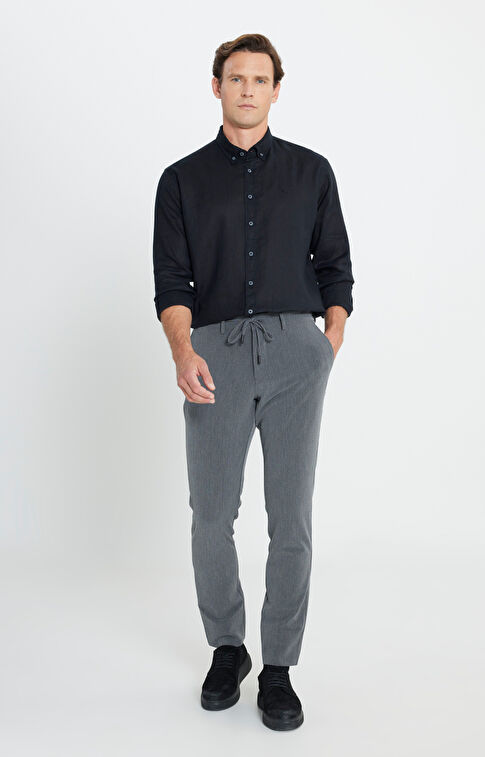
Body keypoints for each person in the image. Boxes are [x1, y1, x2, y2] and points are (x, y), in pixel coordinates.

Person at [152, 33, 354, 731]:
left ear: (275, 89)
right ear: (217, 87)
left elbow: (335, 268)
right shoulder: (180, 180)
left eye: (259, 79)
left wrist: (325, 343)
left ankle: (278, 668)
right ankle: (228, 647)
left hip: (297, 353)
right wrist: (183, 350)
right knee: (212, 515)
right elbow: (171, 281)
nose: (247, 89)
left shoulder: (311, 172)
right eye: (235, 78)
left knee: (290, 518)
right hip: (213, 353)